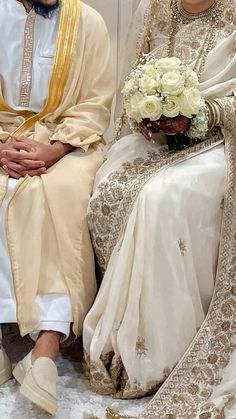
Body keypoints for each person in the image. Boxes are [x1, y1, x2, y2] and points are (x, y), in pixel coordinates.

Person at [83, 0, 236, 416]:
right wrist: (145, 116)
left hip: (223, 141)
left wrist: (204, 112)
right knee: (108, 182)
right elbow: (135, 81)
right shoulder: (155, 9)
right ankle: (121, 335)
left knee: (161, 197)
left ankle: (165, 348)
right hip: (162, 137)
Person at [0, 0, 114, 415]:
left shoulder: (88, 22)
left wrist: (53, 149)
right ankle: (10, 336)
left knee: (60, 193)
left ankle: (47, 341)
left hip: (69, 143)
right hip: (4, 141)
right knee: (9, 191)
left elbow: (95, 104)